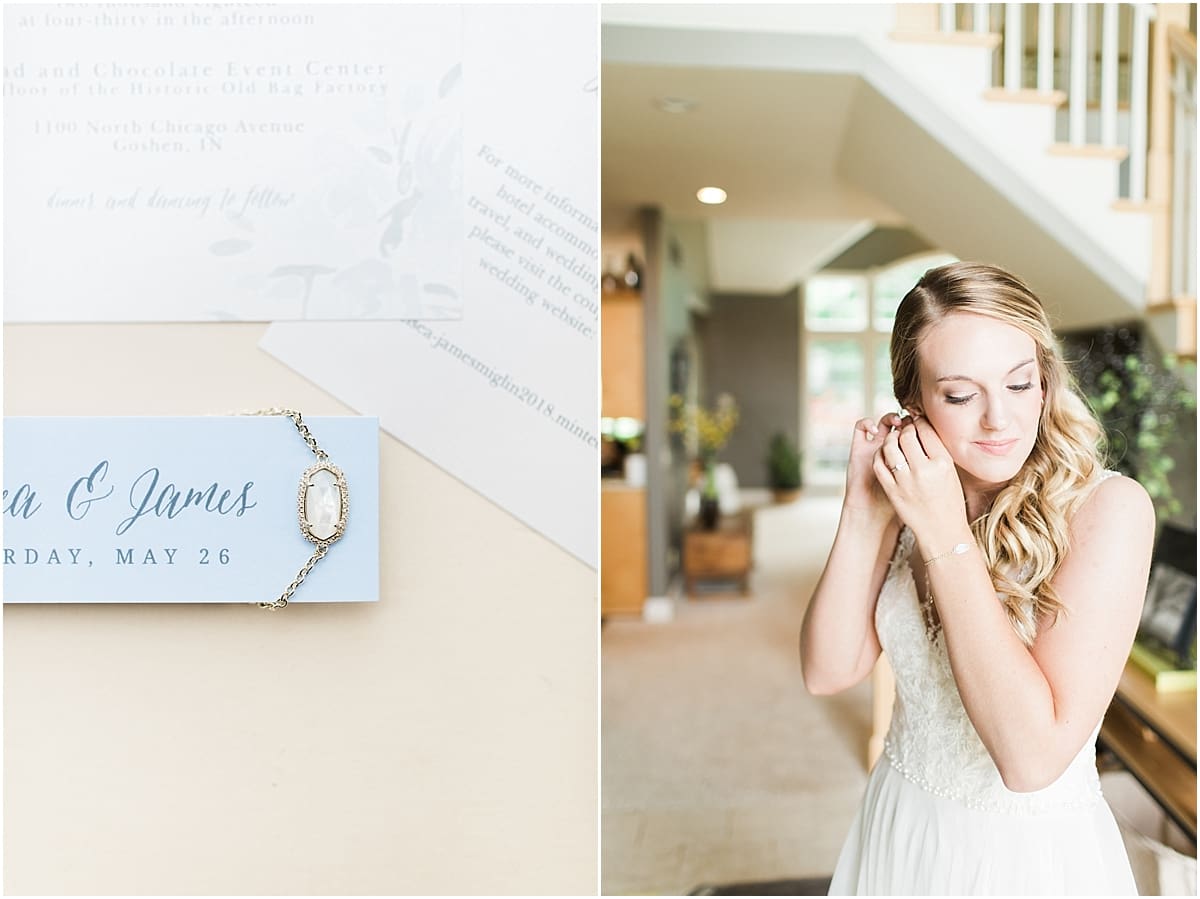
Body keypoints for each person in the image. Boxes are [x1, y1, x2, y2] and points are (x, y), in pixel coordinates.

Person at [800, 262, 1154, 895]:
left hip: (1023, 859)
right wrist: (862, 510)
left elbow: (1031, 760)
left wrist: (943, 534)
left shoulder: (1110, 510)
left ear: (1045, 382)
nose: (999, 420)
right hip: (900, 822)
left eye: (1020, 384)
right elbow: (828, 670)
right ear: (915, 404)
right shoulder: (914, 490)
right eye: (961, 395)